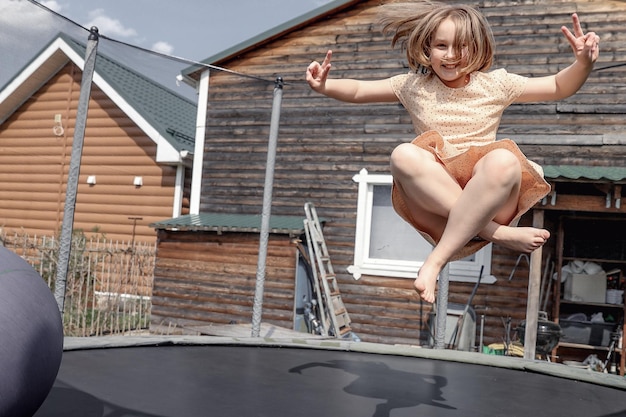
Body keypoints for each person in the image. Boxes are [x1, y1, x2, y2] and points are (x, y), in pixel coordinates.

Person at [305, 1, 600, 303]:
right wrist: (326, 85)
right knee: (402, 154)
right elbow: (359, 90)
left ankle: (434, 262)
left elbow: (556, 86)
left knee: (503, 159)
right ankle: (496, 233)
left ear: (478, 47)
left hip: (488, 195)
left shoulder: (497, 84)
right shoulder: (413, 86)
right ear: (426, 48)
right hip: (437, 207)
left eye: (461, 46)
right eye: (441, 46)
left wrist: (582, 64)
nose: (450, 55)